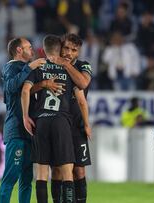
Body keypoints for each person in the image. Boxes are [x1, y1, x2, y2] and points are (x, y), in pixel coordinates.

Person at [21, 35, 79, 203]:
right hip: (62, 120)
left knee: (41, 173)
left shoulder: (38, 67)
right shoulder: (68, 68)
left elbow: (25, 91)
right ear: (60, 49)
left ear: (43, 50)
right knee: (67, 172)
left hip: (42, 121)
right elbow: (81, 91)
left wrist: (26, 116)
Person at [0, 37, 46, 203]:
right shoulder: (10, 67)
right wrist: (31, 67)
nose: (32, 50)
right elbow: (11, 87)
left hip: (29, 130)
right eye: (29, 47)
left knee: (26, 179)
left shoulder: (24, 69)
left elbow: (28, 90)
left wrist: (44, 84)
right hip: (16, 129)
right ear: (19, 50)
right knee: (11, 177)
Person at [49, 33, 92, 203]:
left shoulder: (84, 66)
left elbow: (83, 82)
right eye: (66, 48)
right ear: (61, 46)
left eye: (74, 50)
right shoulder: (51, 65)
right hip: (57, 124)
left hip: (77, 124)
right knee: (58, 170)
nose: (69, 53)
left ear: (78, 52)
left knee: (79, 170)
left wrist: (66, 65)